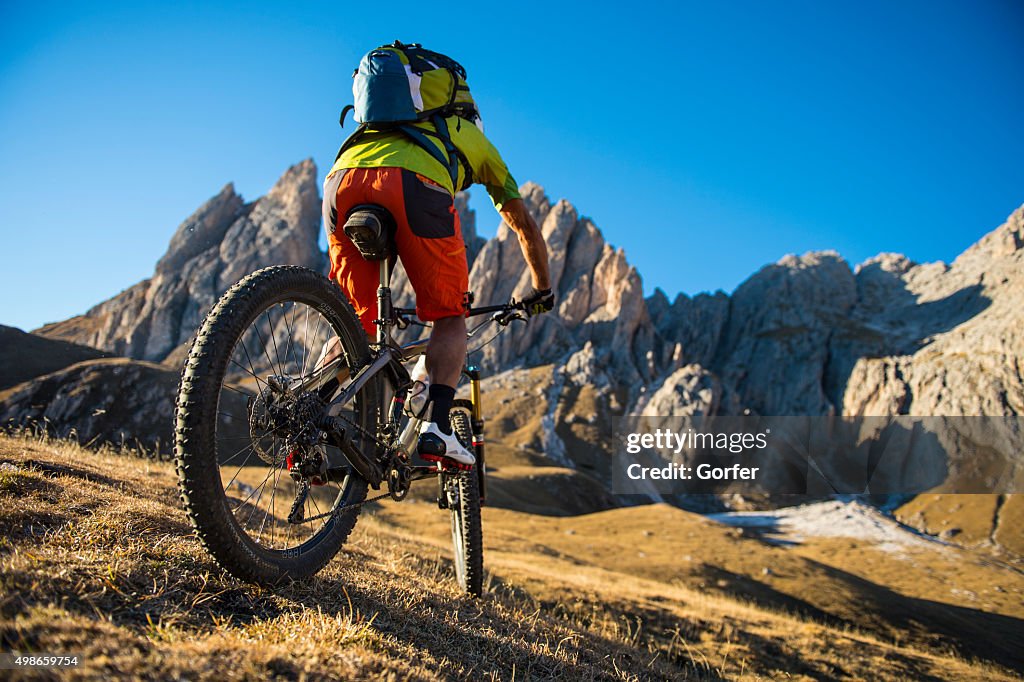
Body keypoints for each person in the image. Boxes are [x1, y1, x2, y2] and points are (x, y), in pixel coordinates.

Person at [321, 45, 553, 467]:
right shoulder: (471, 138)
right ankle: (438, 428)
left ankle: (310, 415)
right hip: (414, 186)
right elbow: (525, 228)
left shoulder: (375, 127)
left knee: (353, 319)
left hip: (340, 181)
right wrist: (542, 288)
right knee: (448, 317)